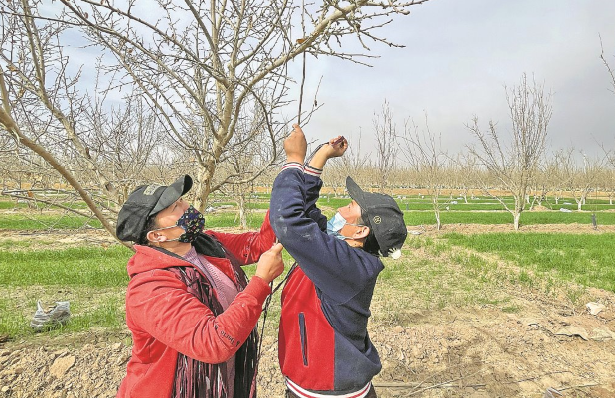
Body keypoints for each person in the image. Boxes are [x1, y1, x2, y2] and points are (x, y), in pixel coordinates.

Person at [269, 125, 408, 398]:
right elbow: (307, 213)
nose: (341, 209)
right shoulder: (342, 253)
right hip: (321, 382)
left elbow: (291, 222)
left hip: (327, 390)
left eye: (350, 207)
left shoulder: (348, 266)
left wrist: (294, 162)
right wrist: (322, 155)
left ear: (360, 231)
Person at [115, 174, 284, 398]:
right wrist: (260, 282)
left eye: (182, 200)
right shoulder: (149, 288)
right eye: (176, 206)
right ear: (157, 235)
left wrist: (285, 187)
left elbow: (259, 245)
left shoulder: (207, 245)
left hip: (223, 384)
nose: (188, 206)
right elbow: (213, 343)